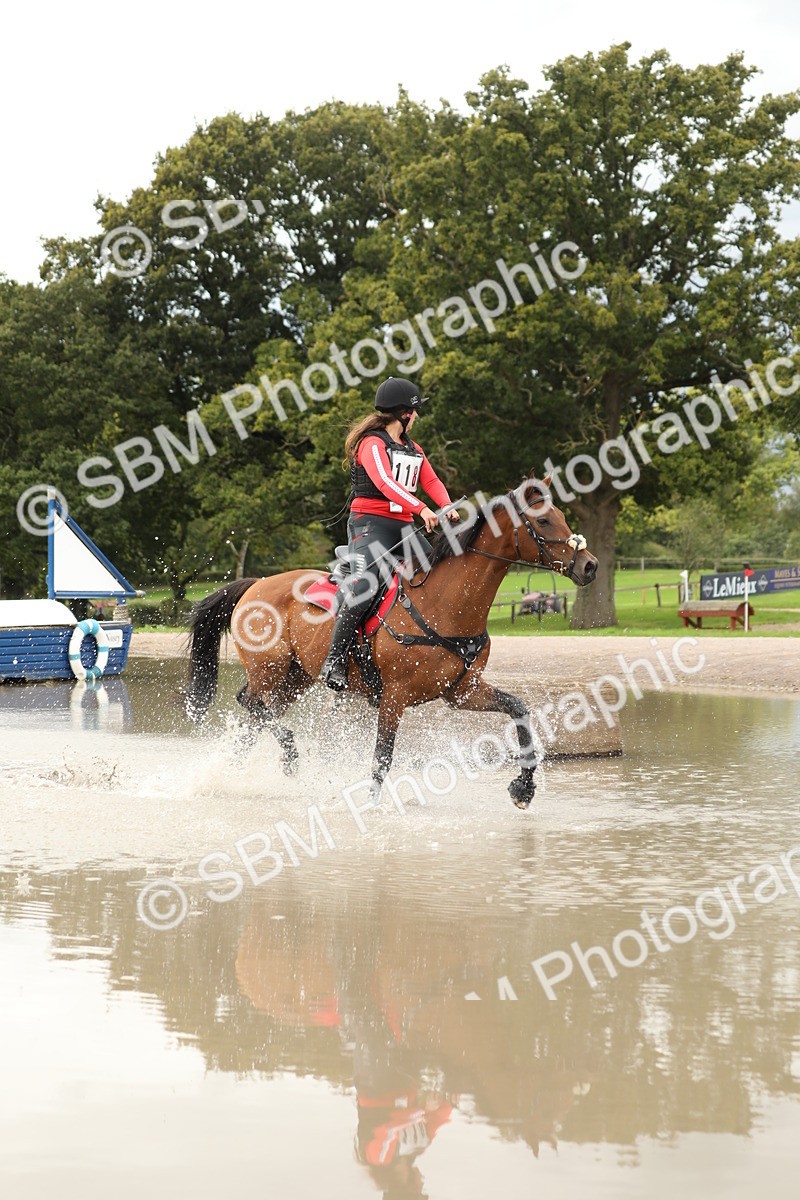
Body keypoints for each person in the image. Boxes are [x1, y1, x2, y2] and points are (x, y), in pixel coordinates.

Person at [320, 377, 459, 691]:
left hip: (403, 528)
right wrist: (422, 508)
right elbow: (385, 483)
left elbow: (432, 480)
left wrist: (446, 505)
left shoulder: (414, 448)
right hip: (370, 525)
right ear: (405, 414)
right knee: (367, 586)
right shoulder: (372, 443)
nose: (417, 417)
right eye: (416, 412)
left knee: (436, 576)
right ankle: (335, 660)